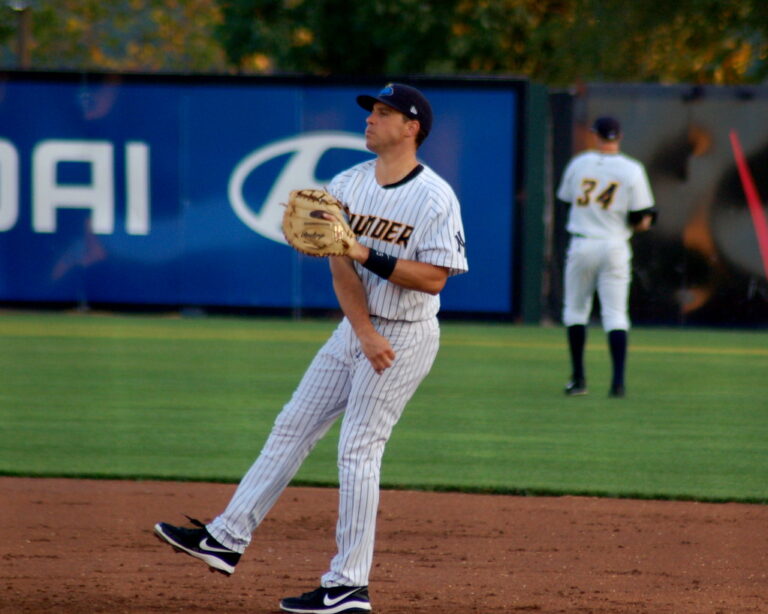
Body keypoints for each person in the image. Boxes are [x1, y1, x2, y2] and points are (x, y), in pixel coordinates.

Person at [153, 83, 468, 614]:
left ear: (412, 128)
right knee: (292, 426)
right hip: (358, 329)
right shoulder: (346, 182)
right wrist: (363, 329)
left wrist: (361, 252)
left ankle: (348, 585)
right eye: (371, 110)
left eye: (384, 112)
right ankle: (226, 538)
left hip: (406, 335)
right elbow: (339, 265)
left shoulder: (435, 197)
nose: (371, 119)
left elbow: (435, 279)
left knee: (359, 450)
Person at [556, 116, 656, 398]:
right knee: (615, 314)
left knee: (575, 311)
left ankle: (578, 379)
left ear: (595, 136)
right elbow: (641, 217)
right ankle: (618, 383)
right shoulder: (632, 169)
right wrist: (643, 222)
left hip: (583, 241)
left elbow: (565, 202)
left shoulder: (579, 164)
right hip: (614, 244)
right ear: (619, 136)